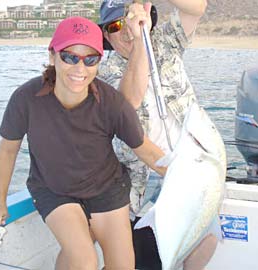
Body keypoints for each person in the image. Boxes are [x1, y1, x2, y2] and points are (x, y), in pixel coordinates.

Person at [0, 16, 167, 270]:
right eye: (70, 57)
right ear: (52, 56)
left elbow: (146, 150)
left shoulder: (112, 103)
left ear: (98, 62)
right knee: (84, 260)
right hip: (53, 189)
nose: (80, 69)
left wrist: (190, 175)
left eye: (90, 59)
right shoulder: (26, 98)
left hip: (106, 187)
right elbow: (8, 149)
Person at [98, 1, 220, 270]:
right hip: (146, 183)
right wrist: (141, 38)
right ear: (106, 35)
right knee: (148, 260)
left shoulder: (166, 41)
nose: (127, 30)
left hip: (194, 169)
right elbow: (128, 101)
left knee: (208, 239)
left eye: (132, 19)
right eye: (117, 26)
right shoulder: (102, 74)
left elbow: (197, 8)